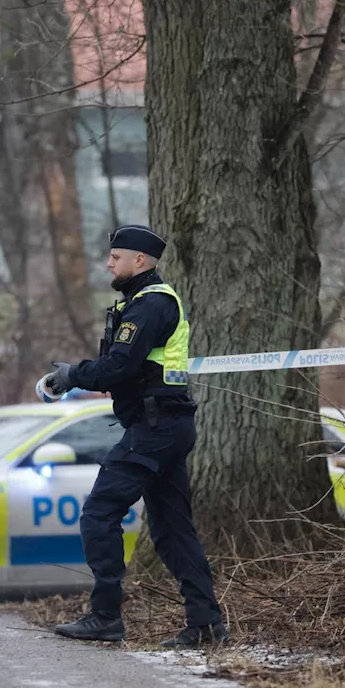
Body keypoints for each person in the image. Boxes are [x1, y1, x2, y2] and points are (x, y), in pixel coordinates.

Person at [42, 223, 229, 648]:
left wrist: (74, 375)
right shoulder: (144, 302)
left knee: (98, 513)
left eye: (116, 257)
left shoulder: (150, 304)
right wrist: (89, 374)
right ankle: (205, 624)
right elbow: (130, 369)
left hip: (156, 427)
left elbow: (120, 367)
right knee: (172, 531)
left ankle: (105, 616)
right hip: (164, 425)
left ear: (139, 261)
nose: (109, 263)